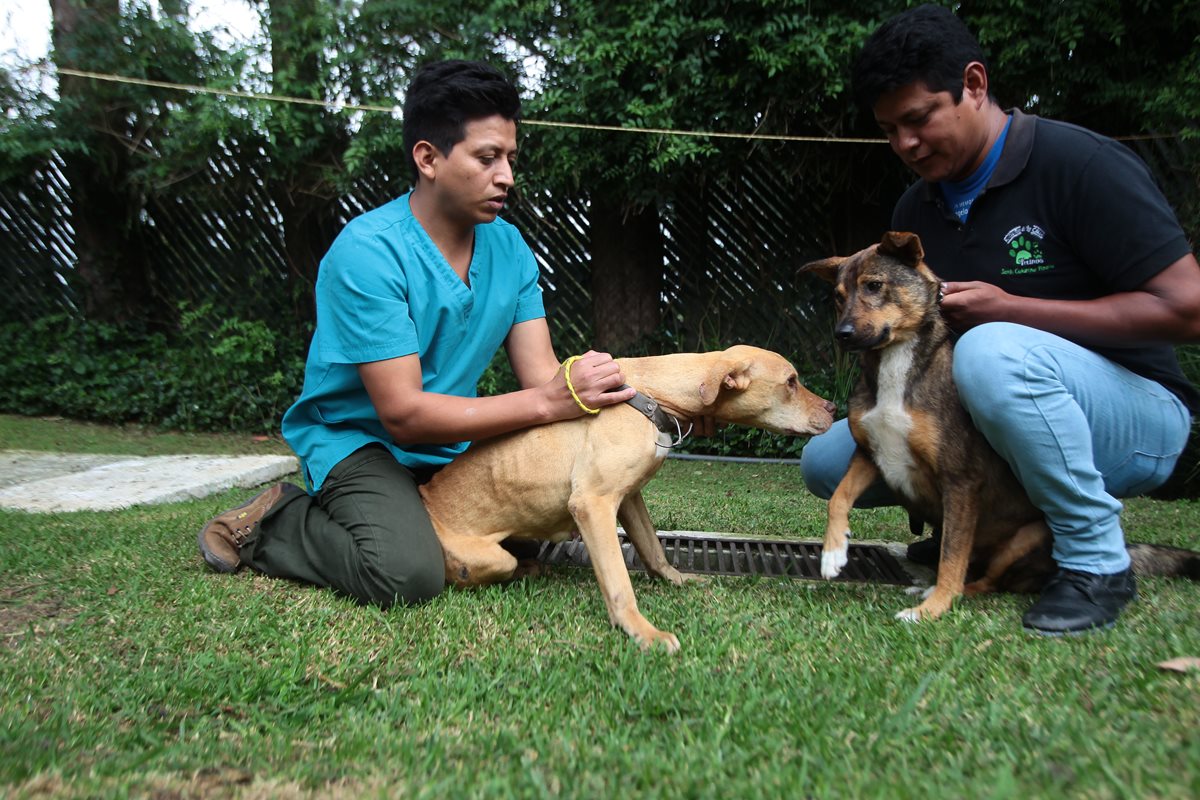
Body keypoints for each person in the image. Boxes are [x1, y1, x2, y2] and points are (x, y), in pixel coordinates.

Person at [800, 4, 1200, 635]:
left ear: (975, 85)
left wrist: (1012, 310)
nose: (905, 143)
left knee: (988, 352)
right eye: (888, 129)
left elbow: (1188, 308)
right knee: (828, 459)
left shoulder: (1080, 165)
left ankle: (1096, 561)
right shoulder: (918, 204)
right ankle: (978, 536)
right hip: (997, 418)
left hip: (1135, 412)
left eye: (919, 118)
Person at [196, 60, 638, 607]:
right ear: (428, 157)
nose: (507, 177)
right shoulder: (368, 253)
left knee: (530, 533)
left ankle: (409, 513)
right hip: (359, 441)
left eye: (510, 158)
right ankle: (276, 519)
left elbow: (544, 377)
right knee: (406, 573)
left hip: (451, 441)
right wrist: (550, 402)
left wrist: (629, 402)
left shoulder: (511, 249)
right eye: (487, 158)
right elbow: (403, 416)